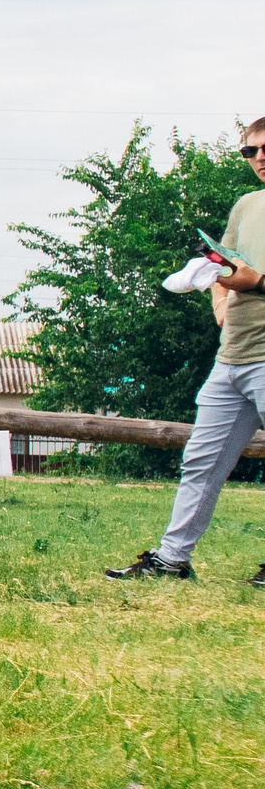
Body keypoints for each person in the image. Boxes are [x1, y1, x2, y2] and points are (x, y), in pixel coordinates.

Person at [109, 118, 265, 584]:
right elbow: (225, 263)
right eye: (249, 151)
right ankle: (173, 560)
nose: (259, 157)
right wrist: (220, 298)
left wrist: (255, 283)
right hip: (234, 356)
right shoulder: (246, 205)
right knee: (202, 459)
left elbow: (249, 276)